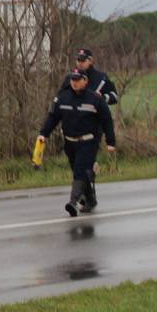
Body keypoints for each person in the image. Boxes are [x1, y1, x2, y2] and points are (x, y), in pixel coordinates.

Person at [39, 68, 117, 216]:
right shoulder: (63, 98)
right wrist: (44, 134)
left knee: (80, 170)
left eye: (78, 80)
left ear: (85, 81)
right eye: (72, 80)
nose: (74, 83)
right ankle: (90, 199)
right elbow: (53, 117)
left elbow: (107, 121)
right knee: (79, 171)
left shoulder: (95, 99)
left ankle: (73, 202)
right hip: (70, 142)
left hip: (88, 141)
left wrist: (110, 142)